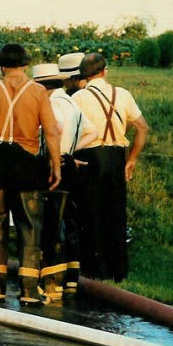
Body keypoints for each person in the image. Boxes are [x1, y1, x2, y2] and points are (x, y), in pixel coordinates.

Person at [0, 43, 61, 306]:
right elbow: (51, 132)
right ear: (26, 65)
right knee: (29, 225)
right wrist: (56, 165)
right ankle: (28, 290)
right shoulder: (39, 92)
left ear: (1, 66)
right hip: (26, 161)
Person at [72, 53, 150, 282]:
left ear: (83, 75)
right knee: (115, 213)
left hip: (88, 155)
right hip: (117, 155)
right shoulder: (122, 94)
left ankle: (94, 269)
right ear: (105, 71)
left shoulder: (78, 98)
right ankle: (118, 271)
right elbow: (142, 127)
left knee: (90, 212)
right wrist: (132, 158)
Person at [32, 63, 98, 302]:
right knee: (69, 220)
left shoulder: (53, 104)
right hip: (68, 163)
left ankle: (51, 283)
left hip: (53, 163)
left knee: (51, 222)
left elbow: (55, 128)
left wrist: (53, 155)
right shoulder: (72, 104)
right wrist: (71, 152)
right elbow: (91, 132)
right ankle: (71, 278)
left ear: (42, 86)